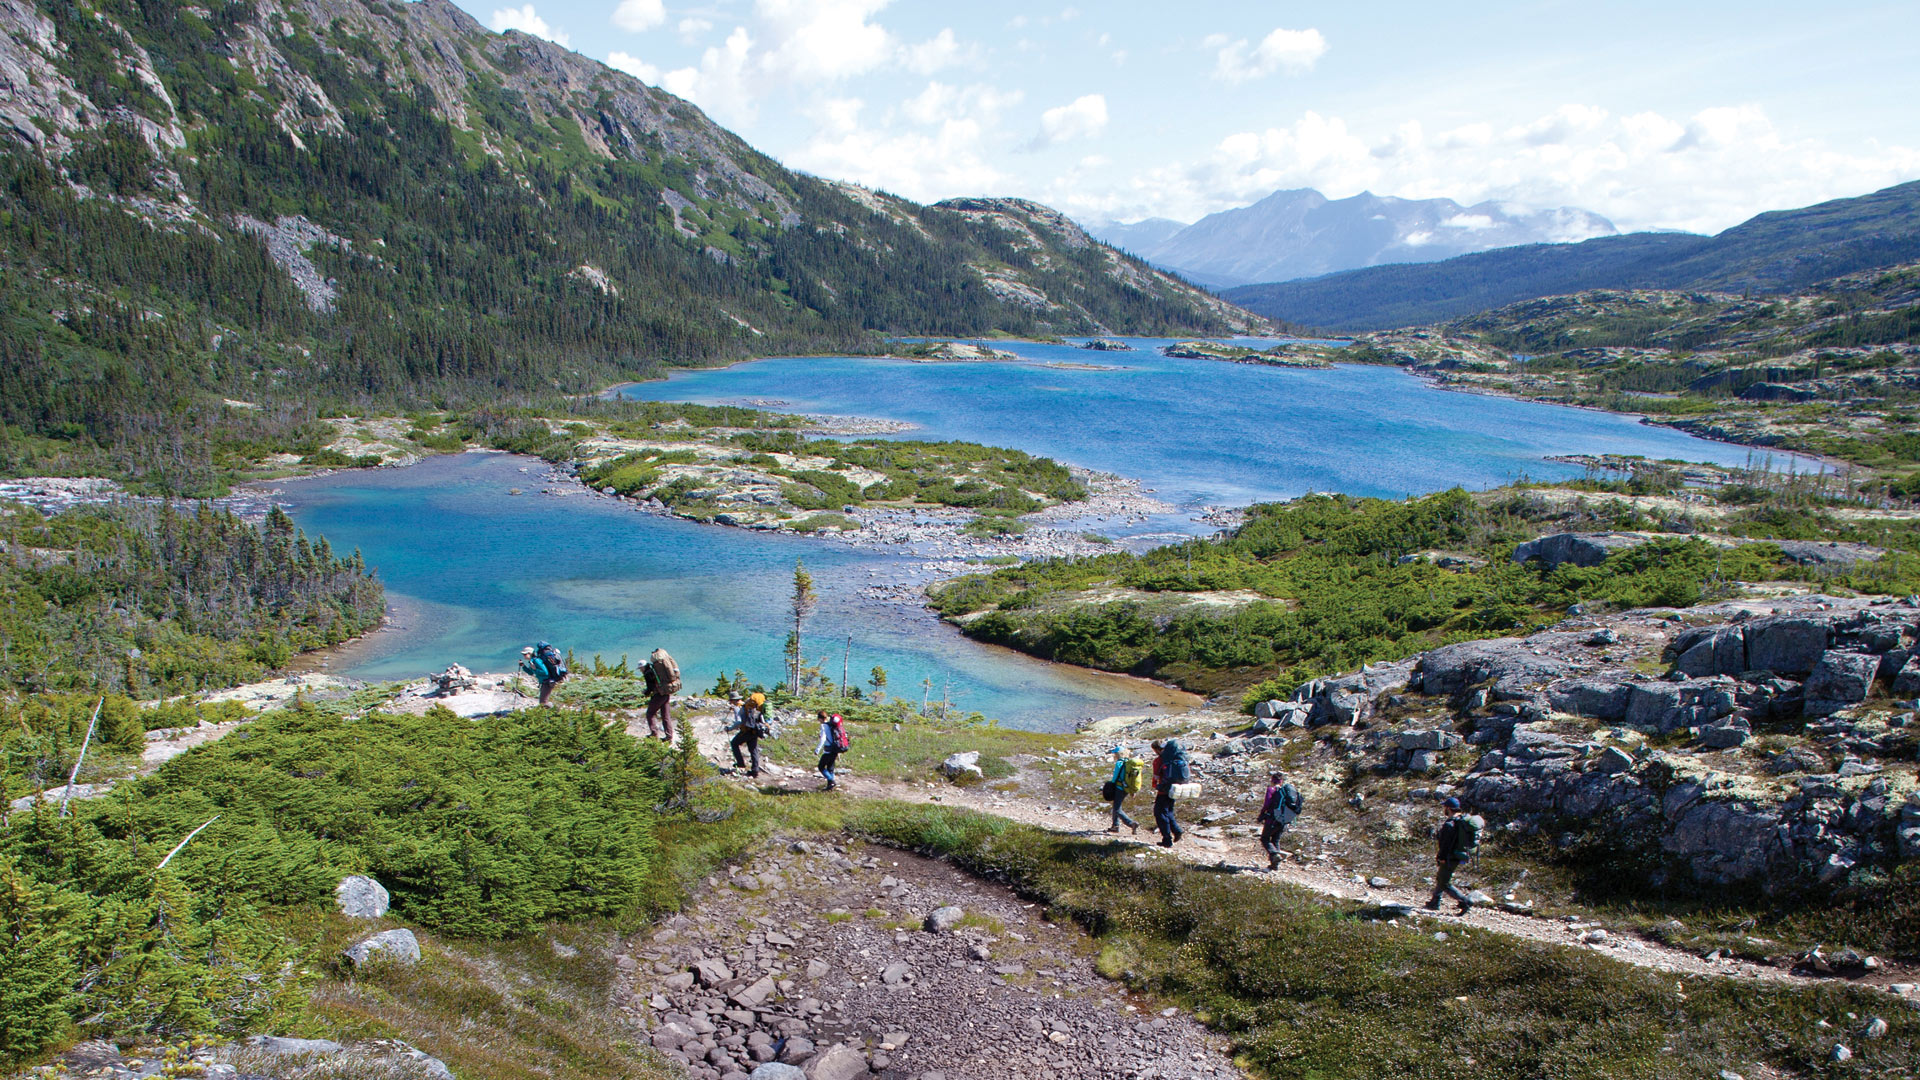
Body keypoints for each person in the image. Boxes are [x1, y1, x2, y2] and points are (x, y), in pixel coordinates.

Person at [1426, 796, 1484, 914]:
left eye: (1445, 807)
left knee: (1444, 882)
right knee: (1441, 877)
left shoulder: (1450, 824)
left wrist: (1441, 857)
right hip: (1459, 854)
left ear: (1448, 808)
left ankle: (1465, 901)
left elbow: (1445, 845)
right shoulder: (1462, 820)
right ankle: (1434, 901)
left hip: (1450, 856)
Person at [1257, 769, 1303, 871]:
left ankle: (1274, 855)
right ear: (1281, 781)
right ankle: (1274, 865)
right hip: (1283, 821)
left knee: (1265, 838)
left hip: (1272, 819)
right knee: (1275, 840)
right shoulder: (1286, 792)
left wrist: (1261, 815)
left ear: (1272, 780)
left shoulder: (1271, 789)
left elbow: (1267, 804)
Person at [1152, 739, 1188, 847]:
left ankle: (1167, 839)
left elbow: (1156, 777)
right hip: (1175, 788)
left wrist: (1155, 786)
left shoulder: (1159, 760)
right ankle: (1176, 831)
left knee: (1159, 813)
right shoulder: (1175, 758)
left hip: (1164, 789)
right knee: (1169, 811)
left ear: (1157, 749)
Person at [643, 647, 680, 741]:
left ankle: (654, 733)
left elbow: (650, 687)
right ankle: (669, 736)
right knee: (665, 715)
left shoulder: (649, 673)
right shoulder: (661, 663)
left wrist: (645, 693)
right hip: (667, 691)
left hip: (659, 693)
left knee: (650, 713)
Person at [726, 694, 768, 777]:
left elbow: (739, 722)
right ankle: (755, 771)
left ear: (733, 700)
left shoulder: (740, 707)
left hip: (746, 731)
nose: (730, 702)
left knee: (734, 743)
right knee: (753, 750)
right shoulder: (751, 706)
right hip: (756, 730)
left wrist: (730, 729)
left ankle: (740, 763)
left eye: (730, 701)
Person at [1104, 746, 1141, 835]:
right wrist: (1132, 791)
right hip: (1127, 788)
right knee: (1117, 806)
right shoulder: (1129, 763)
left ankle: (1131, 823)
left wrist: (1110, 785)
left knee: (1117, 809)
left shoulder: (1119, 763)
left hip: (1119, 788)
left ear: (1118, 754)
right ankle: (1115, 826)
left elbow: (1115, 777)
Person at [816, 710, 847, 791]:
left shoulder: (823, 726)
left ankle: (831, 781)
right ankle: (830, 787)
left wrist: (817, 750)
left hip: (828, 750)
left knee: (821, 767)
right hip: (835, 749)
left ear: (820, 718)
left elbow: (823, 739)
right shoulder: (831, 725)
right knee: (830, 768)